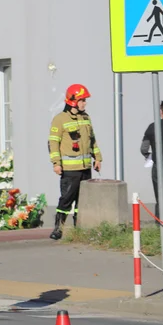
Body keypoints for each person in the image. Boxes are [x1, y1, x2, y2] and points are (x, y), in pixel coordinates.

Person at [47, 84, 102, 240]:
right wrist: (56, 163)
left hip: (85, 168)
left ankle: (80, 230)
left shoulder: (86, 118)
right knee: (66, 199)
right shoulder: (60, 119)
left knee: (83, 202)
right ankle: (59, 229)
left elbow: (93, 141)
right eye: (82, 100)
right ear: (72, 101)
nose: (84, 103)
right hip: (70, 170)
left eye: (85, 100)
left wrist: (98, 158)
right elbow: (53, 143)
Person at [140, 99, 163, 211]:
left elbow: (143, 148)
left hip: (159, 164)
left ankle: (161, 223)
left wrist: (148, 156)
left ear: (161, 111)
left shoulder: (153, 127)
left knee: (160, 195)